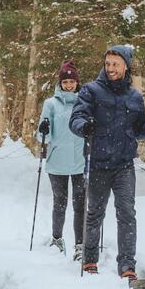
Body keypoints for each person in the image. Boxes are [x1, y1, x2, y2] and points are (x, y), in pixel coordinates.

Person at [69, 44, 145, 282]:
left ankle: (127, 266)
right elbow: (76, 117)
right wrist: (84, 127)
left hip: (124, 165)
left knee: (127, 214)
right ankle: (90, 261)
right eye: (108, 63)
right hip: (99, 163)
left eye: (115, 64)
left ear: (125, 66)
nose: (110, 68)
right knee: (95, 214)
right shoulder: (91, 90)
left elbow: (138, 130)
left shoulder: (134, 96)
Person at [37, 60, 87, 260]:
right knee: (60, 202)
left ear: (77, 83)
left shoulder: (85, 102)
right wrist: (43, 130)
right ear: (60, 83)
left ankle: (80, 245)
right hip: (56, 161)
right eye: (65, 82)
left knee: (80, 204)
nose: (68, 85)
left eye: (71, 82)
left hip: (80, 161)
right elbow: (42, 137)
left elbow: (90, 128)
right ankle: (57, 239)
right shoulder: (50, 104)